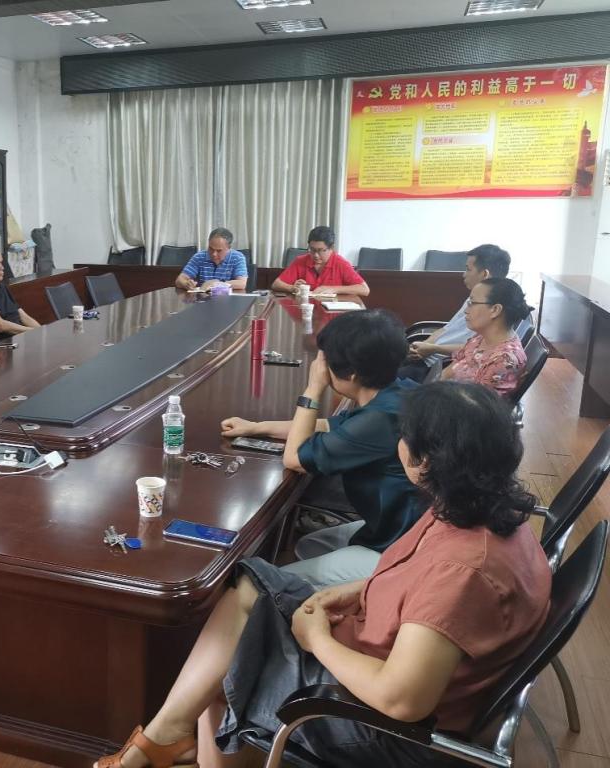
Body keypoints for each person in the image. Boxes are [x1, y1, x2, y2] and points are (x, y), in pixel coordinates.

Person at [95, 382, 551, 768]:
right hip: (371, 645)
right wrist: (355, 590)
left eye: (404, 435)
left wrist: (318, 641)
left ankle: (163, 741)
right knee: (249, 580)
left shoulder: (463, 570)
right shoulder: (481, 509)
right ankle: (169, 734)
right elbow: (420, 583)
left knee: (227, 668)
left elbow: (401, 701)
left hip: (375, 722)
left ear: (425, 462)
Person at [221, 310, 420, 588]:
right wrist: (256, 427)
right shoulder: (398, 392)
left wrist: (313, 388)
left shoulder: (379, 420)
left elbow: (294, 458)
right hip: (398, 526)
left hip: (403, 550)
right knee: (309, 545)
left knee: (265, 583)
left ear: (351, 374)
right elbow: (327, 425)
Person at [400, 244, 512, 381]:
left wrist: (433, 348)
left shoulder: (489, 311)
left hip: (439, 365)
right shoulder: (474, 298)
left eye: (468, 269)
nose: (464, 274)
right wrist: (423, 347)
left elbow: (475, 350)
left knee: (381, 381)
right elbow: (446, 329)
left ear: (484, 274)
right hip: (427, 357)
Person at [441, 277, 529, 398]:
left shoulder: (504, 360)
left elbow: (476, 405)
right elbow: (450, 370)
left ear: (495, 310)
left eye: (472, 303)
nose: (466, 310)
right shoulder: (481, 338)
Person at [271, 226, 369, 297]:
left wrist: (333, 289)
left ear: (332, 248)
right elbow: (276, 284)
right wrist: (292, 288)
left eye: (321, 250)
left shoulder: (341, 263)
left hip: (331, 312)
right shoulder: (301, 261)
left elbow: (365, 290)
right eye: (312, 250)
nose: (316, 255)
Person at [174, 228, 248, 292]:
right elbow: (179, 280)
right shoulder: (199, 257)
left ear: (229, 248)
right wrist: (186, 284)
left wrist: (217, 284)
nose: (214, 254)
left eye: (219, 251)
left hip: (228, 300)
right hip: (203, 299)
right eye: (211, 249)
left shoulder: (238, 257)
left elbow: (241, 283)